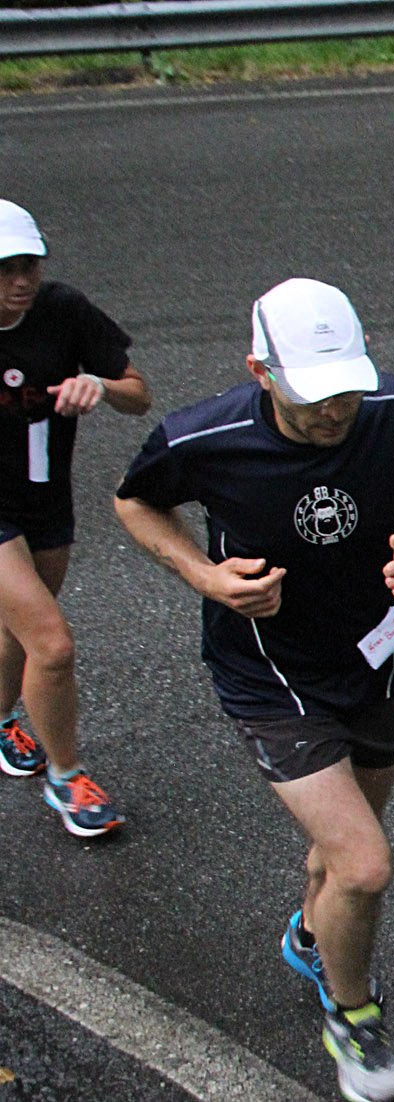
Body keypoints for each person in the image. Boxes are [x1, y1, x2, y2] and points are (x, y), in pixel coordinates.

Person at [114, 277, 394, 1102]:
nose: (334, 412)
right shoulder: (203, 438)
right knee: (363, 865)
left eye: (347, 388)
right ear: (261, 370)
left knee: (339, 852)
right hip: (268, 675)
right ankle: (351, 1023)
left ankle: (311, 935)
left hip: (378, 658)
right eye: (315, 396)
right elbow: (134, 503)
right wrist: (205, 576)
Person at [0, 199, 151, 837]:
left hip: (43, 496)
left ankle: (2, 720)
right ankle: (67, 780)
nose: (22, 280)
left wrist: (100, 386)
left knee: (17, 632)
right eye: (5, 268)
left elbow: (137, 394)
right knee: (53, 644)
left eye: (30, 263)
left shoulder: (64, 310)